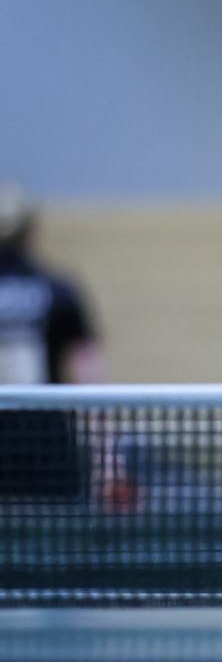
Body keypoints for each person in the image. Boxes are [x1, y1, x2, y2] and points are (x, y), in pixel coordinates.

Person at [0, 182, 104, 500]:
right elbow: (91, 378)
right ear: (30, 230)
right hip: (46, 445)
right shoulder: (58, 290)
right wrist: (108, 457)